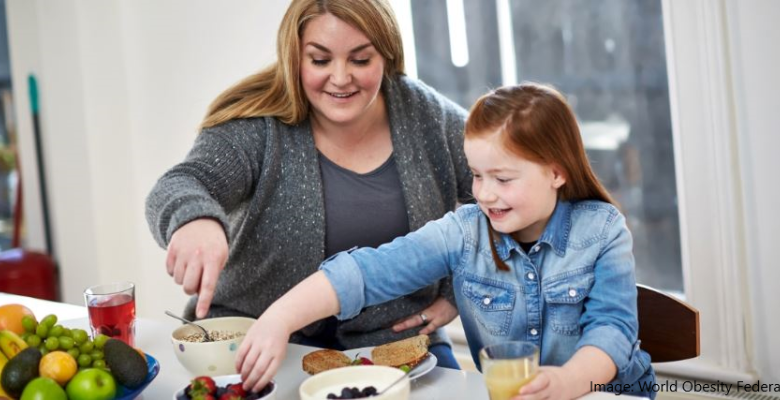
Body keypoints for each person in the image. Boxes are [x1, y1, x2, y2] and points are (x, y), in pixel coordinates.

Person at [235, 83, 657, 399]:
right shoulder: (464, 231)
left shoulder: (603, 230)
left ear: (556, 173)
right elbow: (369, 271)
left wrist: (567, 381)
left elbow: (612, 330)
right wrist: (280, 317)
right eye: (476, 174)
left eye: (503, 178)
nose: (484, 193)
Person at [145, 0, 472, 369]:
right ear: (294, 57)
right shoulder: (257, 126)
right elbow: (182, 183)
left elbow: (516, 199)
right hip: (258, 341)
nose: (341, 77)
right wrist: (193, 220)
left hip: (397, 343)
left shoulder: (428, 117)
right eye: (320, 60)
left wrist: (460, 291)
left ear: (388, 55)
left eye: (361, 60)